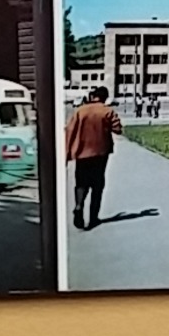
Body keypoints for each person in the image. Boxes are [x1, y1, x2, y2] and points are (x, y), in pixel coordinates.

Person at [65, 87, 122, 231]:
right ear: (105, 98)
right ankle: (93, 218)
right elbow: (118, 129)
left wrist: (66, 154)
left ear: (93, 96)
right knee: (97, 184)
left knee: (81, 182)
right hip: (100, 153)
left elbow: (69, 132)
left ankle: (78, 206)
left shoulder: (80, 111)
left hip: (82, 153)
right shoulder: (107, 111)